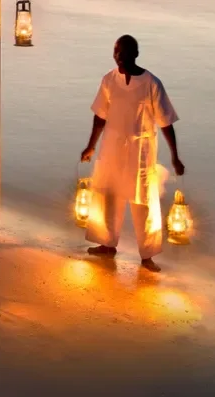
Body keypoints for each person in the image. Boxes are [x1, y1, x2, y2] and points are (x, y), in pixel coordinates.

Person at [79, 34, 184, 272]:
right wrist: (91, 145)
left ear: (135, 54)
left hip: (141, 152)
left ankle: (147, 255)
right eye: (116, 52)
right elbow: (100, 116)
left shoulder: (151, 83)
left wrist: (175, 156)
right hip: (111, 147)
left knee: (144, 201)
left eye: (123, 52)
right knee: (107, 195)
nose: (119, 57)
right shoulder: (109, 80)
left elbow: (166, 122)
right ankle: (107, 244)